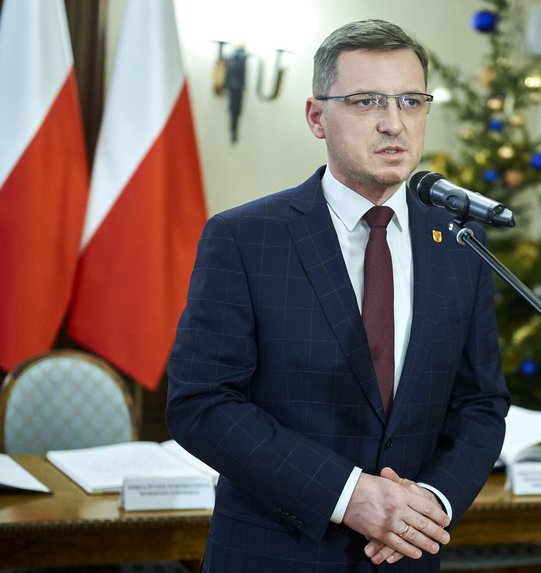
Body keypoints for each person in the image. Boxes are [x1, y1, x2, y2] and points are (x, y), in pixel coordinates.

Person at [165, 19, 510, 573]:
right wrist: (348, 495)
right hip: (275, 554)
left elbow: (481, 404)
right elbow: (200, 404)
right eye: (367, 101)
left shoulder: (458, 242)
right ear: (316, 117)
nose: (394, 122)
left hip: (406, 554)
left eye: (411, 101)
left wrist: (432, 502)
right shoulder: (245, 238)